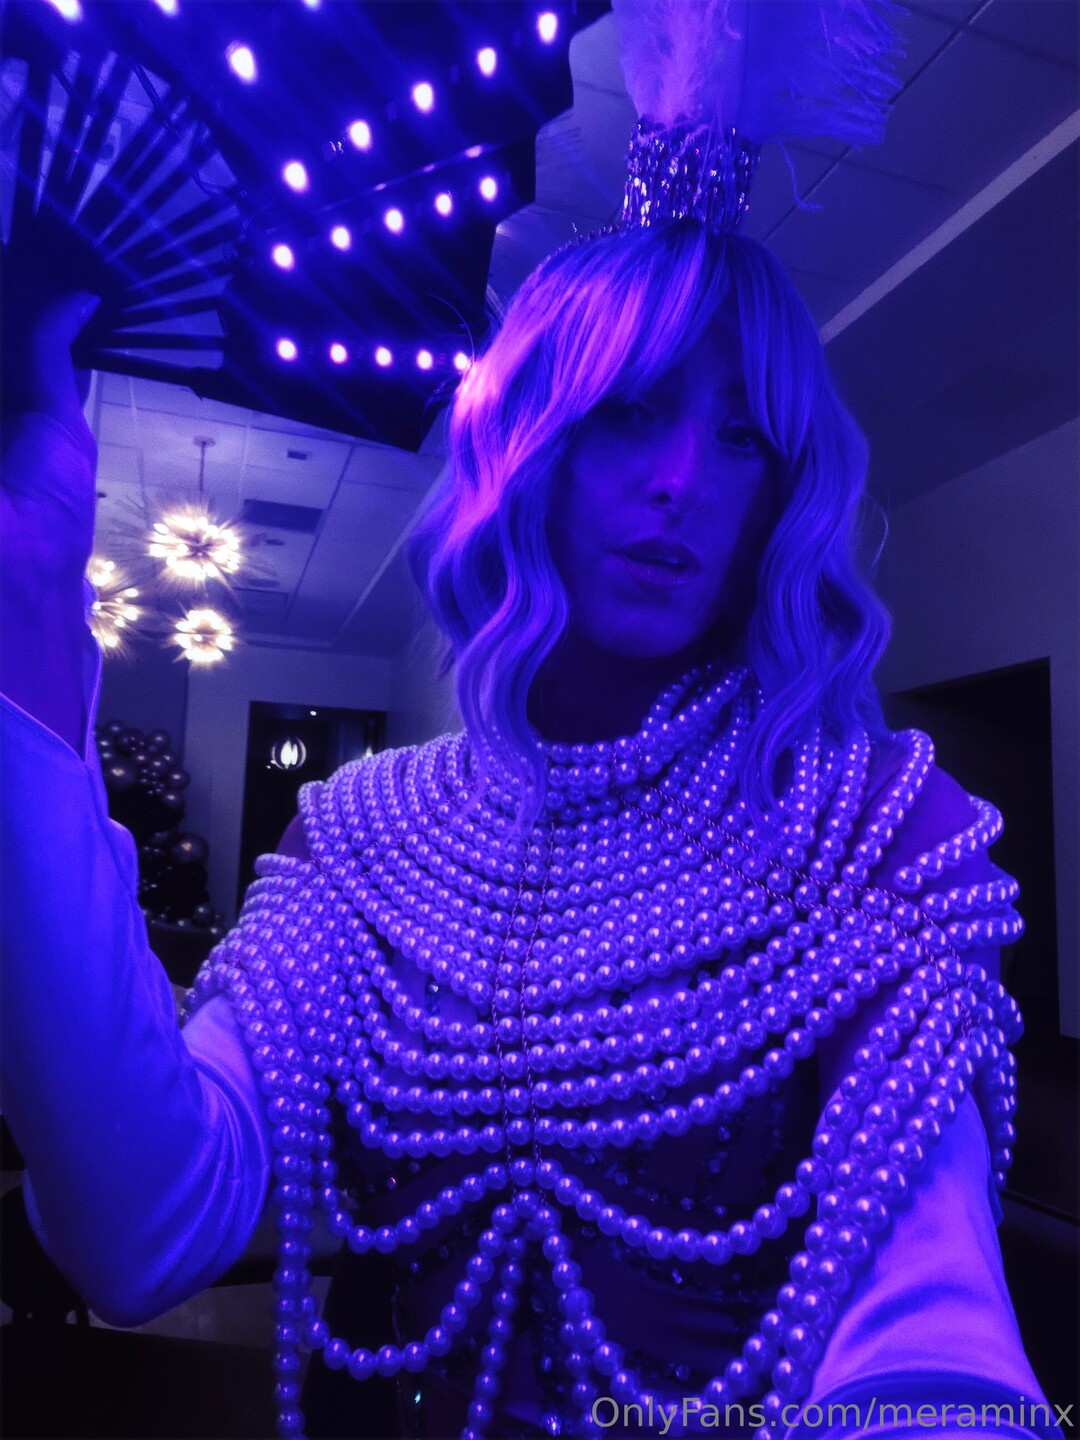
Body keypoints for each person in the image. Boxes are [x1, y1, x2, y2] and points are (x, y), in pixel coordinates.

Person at [0, 212, 1053, 1440]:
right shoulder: (365, 835)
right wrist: (30, 605)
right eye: (631, 410)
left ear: (782, 485)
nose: (683, 482)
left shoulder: (868, 828)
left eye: (742, 435)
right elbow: (144, 1229)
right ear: (533, 440)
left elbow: (935, 1329)